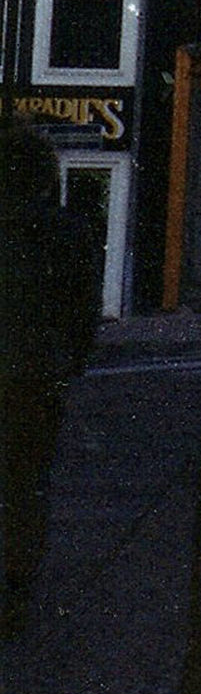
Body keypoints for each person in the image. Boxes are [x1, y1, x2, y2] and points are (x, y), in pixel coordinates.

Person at [0, 119, 103, 639]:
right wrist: (69, 363)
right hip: (36, 376)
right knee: (25, 481)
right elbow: (84, 312)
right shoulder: (69, 232)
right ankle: (14, 588)